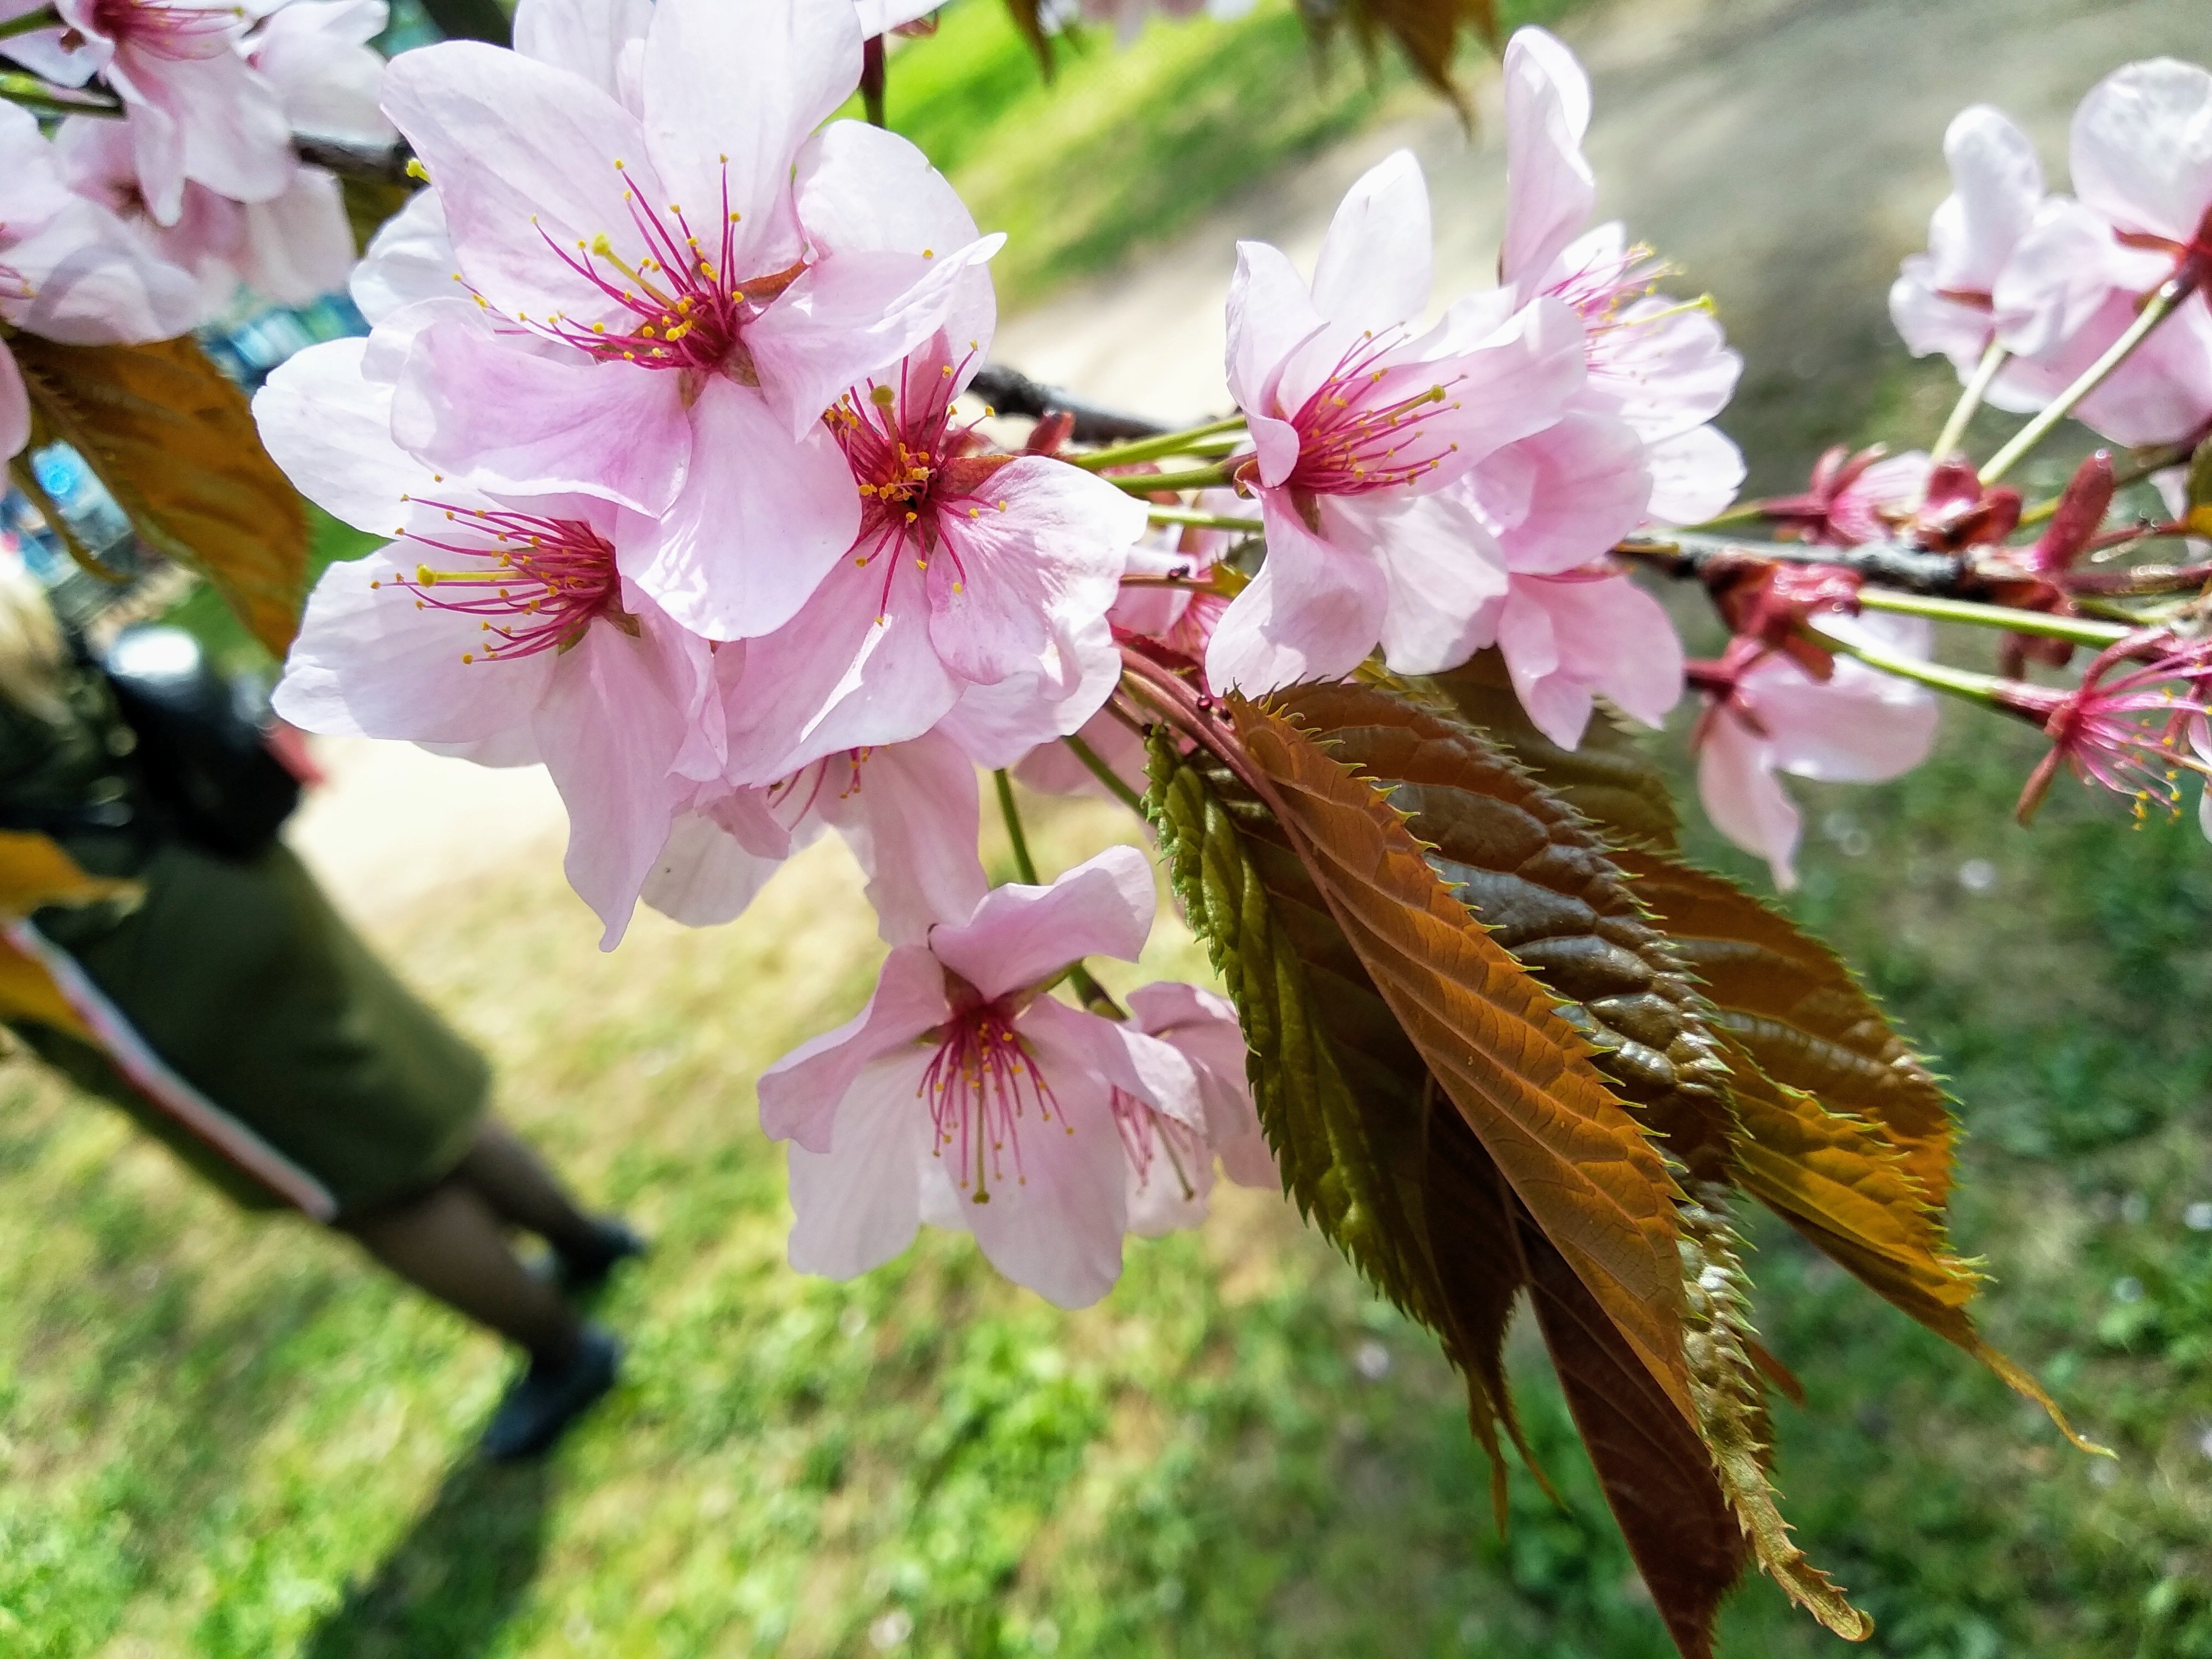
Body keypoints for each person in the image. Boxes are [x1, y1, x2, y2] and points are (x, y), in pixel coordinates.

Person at [0, 560, 636, 1460]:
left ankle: (563, 1353)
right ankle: (584, 1242)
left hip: (134, 964)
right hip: (222, 863)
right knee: (400, 1080)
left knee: (358, 1184)